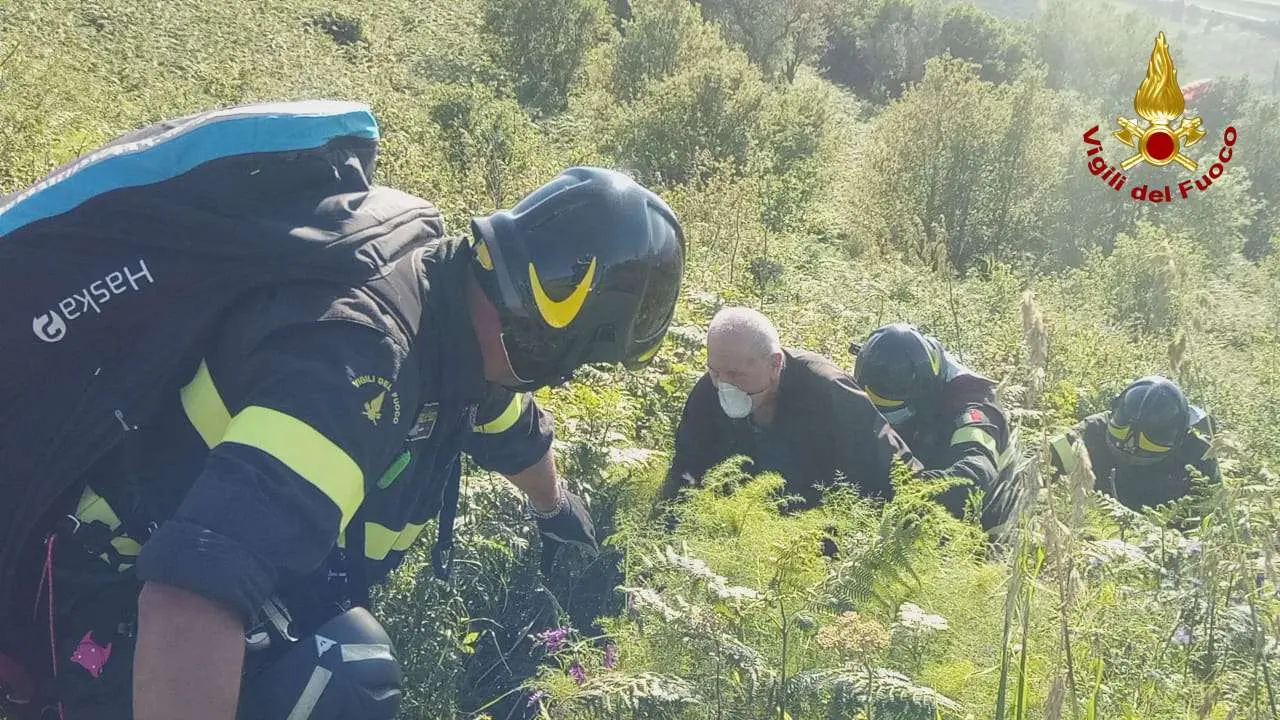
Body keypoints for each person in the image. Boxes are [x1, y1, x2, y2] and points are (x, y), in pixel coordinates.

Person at [0, 106, 685, 720]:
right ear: (555, 333)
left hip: (181, 575)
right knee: (347, 675)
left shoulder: (454, 311)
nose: (567, 379)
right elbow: (190, 596)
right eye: (582, 359)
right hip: (99, 600)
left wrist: (555, 507)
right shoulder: (357, 369)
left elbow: (511, 425)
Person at [658, 307, 921, 509]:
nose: (724, 385)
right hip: (748, 526)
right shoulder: (709, 390)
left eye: (736, 375)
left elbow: (901, 478)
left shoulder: (829, 392)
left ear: (774, 364)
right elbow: (684, 472)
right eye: (715, 371)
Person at [850, 324, 1012, 523]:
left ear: (926, 392)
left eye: (898, 417)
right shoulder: (869, 382)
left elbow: (977, 474)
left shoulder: (973, 404)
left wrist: (902, 490)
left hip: (986, 525)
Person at [1049, 376, 1219, 512]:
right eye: (1125, 425)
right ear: (1114, 412)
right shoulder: (1087, 433)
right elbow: (1035, 470)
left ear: (1181, 437)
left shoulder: (1199, 458)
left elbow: (1208, 519)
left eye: (1152, 434)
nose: (1131, 444)